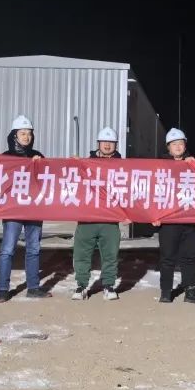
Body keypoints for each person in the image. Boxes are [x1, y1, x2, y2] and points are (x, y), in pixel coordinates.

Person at [0, 115, 47, 303]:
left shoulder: (38, 156)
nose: (26, 137)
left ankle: (33, 287)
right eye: (22, 133)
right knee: (8, 249)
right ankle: (3, 289)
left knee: (33, 249)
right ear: (14, 135)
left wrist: (40, 165)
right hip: (13, 210)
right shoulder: (6, 158)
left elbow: (47, 179)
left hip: (34, 209)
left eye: (29, 134)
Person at [72, 127, 122, 300]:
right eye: (104, 142)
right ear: (98, 144)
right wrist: (73, 164)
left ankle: (108, 285)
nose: (107, 145)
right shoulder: (86, 163)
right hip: (88, 217)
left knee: (110, 254)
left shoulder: (123, 167)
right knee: (82, 253)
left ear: (116, 145)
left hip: (110, 218)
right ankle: (81, 285)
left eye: (111, 142)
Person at [154, 128, 195, 304]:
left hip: (189, 219)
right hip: (168, 220)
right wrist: (154, 214)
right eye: (174, 144)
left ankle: (190, 291)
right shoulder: (159, 166)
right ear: (168, 147)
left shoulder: (193, 164)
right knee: (167, 257)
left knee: (189, 257)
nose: (178, 147)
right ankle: (166, 291)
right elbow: (152, 191)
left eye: (181, 144)